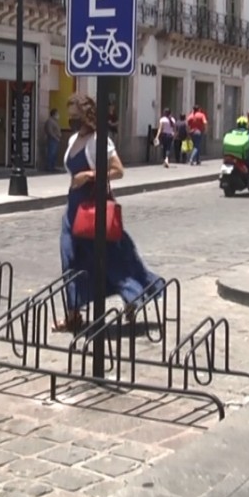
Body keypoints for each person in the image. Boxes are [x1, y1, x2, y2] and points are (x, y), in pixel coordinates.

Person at [54, 93, 162, 332]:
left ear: (86, 116)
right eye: (69, 116)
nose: (71, 121)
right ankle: (73, 316)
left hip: (95, 207)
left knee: (113, 260)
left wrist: (89, 175)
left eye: (75, 117)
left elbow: (118, 170)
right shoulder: (73, 140)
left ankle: (133, 296)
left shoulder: (98, 141)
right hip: (73, 208)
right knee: (70, 258)